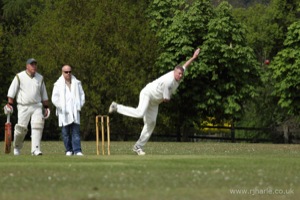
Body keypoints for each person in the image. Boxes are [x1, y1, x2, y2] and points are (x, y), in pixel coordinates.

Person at [108, 48, 201, 155]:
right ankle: (116, 107)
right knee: (140, 113)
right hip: (148, 94)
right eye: (179, 74)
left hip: (155, 102)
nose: (180, 76)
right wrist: (169, 98)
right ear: (174, 71)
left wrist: (193, 57)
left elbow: (185, 66)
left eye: (181, 74)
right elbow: (166, 99)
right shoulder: (168, 82)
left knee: (151, 123)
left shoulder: (179, 73)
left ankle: (138, 146)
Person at [4, 58, 50, 156]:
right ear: (27, 66)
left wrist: (46, 107)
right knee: (21, 129)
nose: (34, 66)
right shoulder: (19, 77)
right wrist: (10, 104)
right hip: (23, 106)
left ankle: (36, 149)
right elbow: (11, 93)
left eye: (35, 64)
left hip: (37, 106)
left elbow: (44, 94)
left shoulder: (40, 78)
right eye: (31, 64)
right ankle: (17, 148)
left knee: (38, 125)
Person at [51, 65, 85, 156]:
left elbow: (82, 95)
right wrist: (61, 107)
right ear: (62, 72)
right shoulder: (58, 84)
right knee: (65, 133)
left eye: (70, 71)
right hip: (64, 112)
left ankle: (77, 150)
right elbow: (54, 98)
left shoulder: (77, 83)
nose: (68, 73)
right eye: (66, 72)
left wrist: (79, 105)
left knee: (76, 132)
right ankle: (68, 150)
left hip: (74, 111)